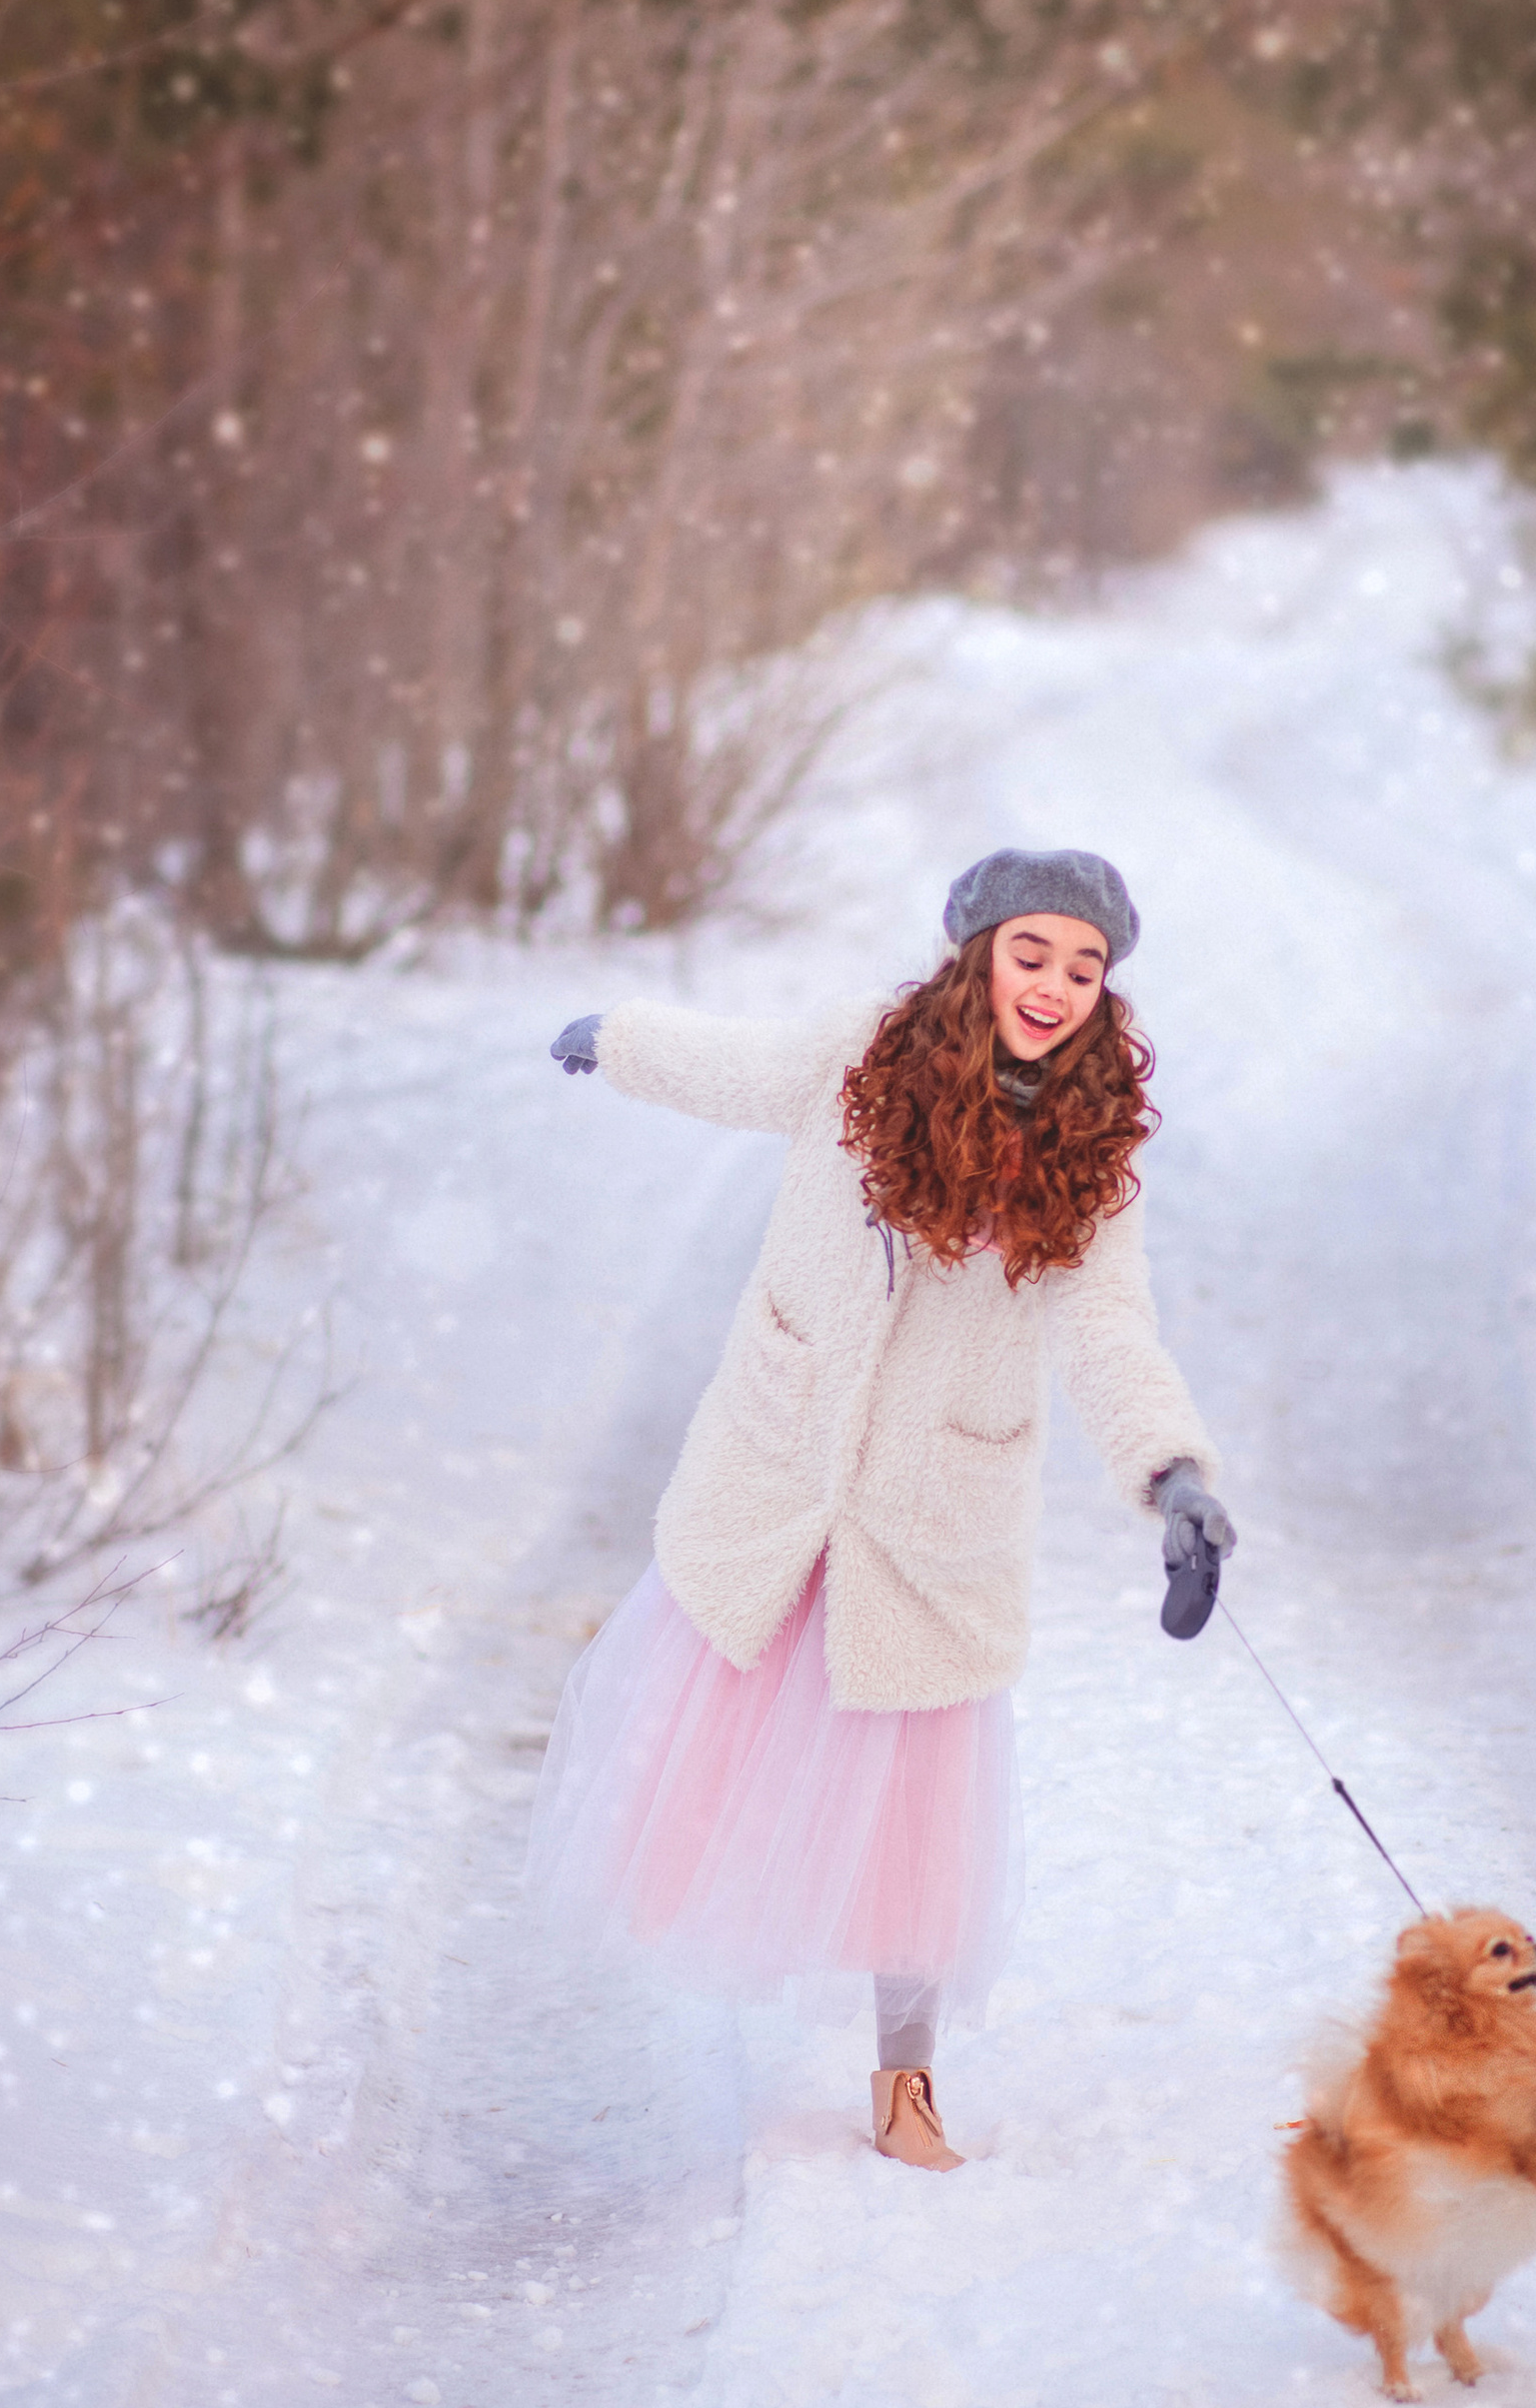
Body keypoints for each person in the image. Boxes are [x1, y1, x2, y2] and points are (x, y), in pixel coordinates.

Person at [524, 847, 1235, 2171]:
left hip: (933, 1508)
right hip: (784, 1459)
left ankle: (906, 2083)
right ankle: (731, 1978)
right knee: (729, 1736)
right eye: (1034, 953)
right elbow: (731, 1064)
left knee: (915, 1828)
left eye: (1085, 967)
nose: (1057, 986)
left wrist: (1172, 1476)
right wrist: (618, 1040)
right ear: (977, 953)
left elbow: (1109, 1332)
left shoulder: (1092, 1148)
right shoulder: (862, 1055)